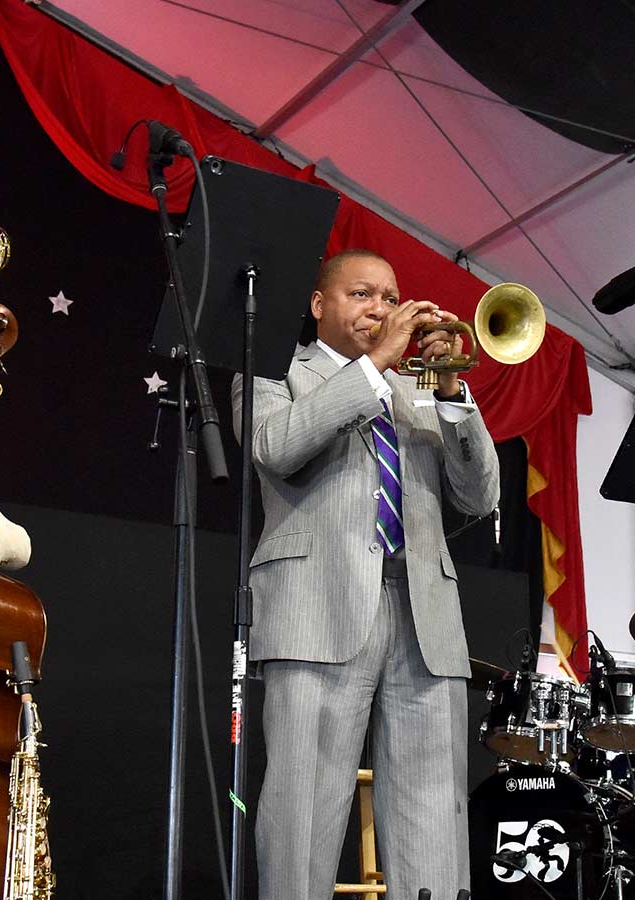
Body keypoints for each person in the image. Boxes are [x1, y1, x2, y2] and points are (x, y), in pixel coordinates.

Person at [234, 249, 500, 900]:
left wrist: (450, 393)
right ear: (319, 305)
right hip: (315, 608)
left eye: (389, 296)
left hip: (424, 614)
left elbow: (480, 494)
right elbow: (277, 448)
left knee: (434, 813)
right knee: (302, 812)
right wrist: (375, 366)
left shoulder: (419, 387)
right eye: (362, 294)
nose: (381, 308)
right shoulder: (276, 373)